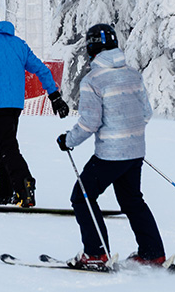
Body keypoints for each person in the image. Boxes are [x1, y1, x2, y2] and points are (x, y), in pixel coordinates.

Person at [57, 24, 166, 271]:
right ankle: (153, 253)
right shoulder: (133, 74)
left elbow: (89, 123)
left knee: (82, 196)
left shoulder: (93, 80)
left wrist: (68, 140)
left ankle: (96, 254)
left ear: (91, 48)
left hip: (110, 154)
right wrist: (128, 136)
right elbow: (146, 113)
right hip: (135, 151)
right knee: (132, 200)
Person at [0, 6, 69, 207]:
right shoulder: (19, 44)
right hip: (15, 105)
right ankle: (3, 193)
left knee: (7, 147)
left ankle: (25, 187)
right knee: (2, 146)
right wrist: (54, 96)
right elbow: (41, 69)